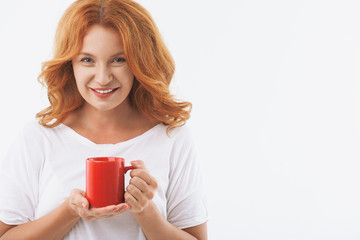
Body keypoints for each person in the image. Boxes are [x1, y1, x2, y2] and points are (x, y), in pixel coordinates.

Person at [0, 0, 208, 239]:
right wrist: (70, 211)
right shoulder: (39, 137)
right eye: (87, 60)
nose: (102, 78)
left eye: (119, 60)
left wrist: (145, 211)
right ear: (71, 65)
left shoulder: (171, 138)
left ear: (140, 62)